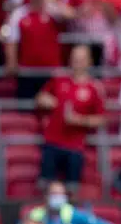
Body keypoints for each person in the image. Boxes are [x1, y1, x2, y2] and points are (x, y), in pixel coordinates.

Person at [36, 45, 108, 189]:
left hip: (75, 146)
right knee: (45, 185)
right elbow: (40, 97)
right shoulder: (59, 79)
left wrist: (80, 120)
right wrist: (46, 100)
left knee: (72, 188)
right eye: (74, 58)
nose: (77, 62)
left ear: (89, 62)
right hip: (52, 141)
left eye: (81, 59)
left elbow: (102, 119)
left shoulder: (94, 87)